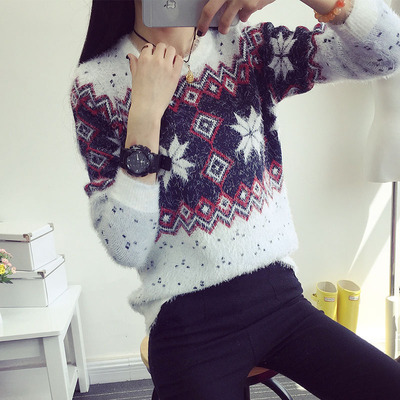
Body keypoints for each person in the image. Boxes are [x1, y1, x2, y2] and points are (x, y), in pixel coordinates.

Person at [71, 0, 400, 398]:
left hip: (278, 297)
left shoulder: (245, 48)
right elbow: (127, 246)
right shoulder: (95, 85)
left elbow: (389, 51)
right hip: (185, 320)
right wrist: (144, 118)